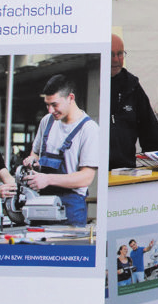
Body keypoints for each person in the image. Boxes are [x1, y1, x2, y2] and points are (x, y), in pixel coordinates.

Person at [22, 74, 100, 226]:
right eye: (47, 105)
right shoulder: (47, 121)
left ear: (70, 98)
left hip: (70, 210)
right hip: (41, 204)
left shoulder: (89, 129)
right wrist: (33, 160)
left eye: (55, 105)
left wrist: (47, 179)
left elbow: (86, 177)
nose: (50, 110)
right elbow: (36, 153)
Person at [109, 34, 158, 169]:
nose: (116, 59)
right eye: (110, 54)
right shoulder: (87, 84)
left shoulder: (132, 85)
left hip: (125, 169)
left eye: (120, 54)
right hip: (92, 173)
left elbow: (150, 129)